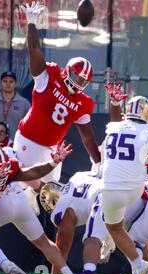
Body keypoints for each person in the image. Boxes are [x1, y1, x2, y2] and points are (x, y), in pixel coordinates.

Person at [17, 2, 101, 211]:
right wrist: (32, 23)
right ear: (67, 71)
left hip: (52, 150)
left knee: (54, 200)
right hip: (29, 140)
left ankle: (31, 201)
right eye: (76, 77)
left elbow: (87, 137)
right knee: (20, 181)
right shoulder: (50, 76)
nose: (77, 83)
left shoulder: (83, 103)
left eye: (82, 82)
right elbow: (34, 50)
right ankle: (4, 205)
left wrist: (98, 161)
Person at [0, 142, 85, 274]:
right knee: (44, 242)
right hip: (13, 201)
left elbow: (30, 173)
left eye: (3, 171)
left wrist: (53, 162)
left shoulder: (7, 166)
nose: (1, 177)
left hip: (5, 202)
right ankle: (67, 273)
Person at [102, 93, 148, 274]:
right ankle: (140, 265)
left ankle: (136, 261)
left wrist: (115, 103)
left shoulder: (113, 128)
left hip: (111, 188)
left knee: (114, 227)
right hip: (135, 189)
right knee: (123, 226)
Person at [0, 71, 30, 139]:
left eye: (11, 81)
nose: (8, 84)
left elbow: (29, 128)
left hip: (17, 146)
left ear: (15, 84)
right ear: (0, 83)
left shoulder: (24, 104)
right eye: (5, 81)